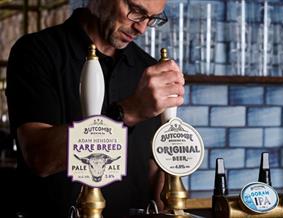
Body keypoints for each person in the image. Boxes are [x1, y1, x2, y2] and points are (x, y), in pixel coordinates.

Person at [6, 0, 185, 217]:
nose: (142, 28)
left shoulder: (146, 70)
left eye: (152, 18)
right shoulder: (37, 52)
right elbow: (39, 157)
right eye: (136, 11)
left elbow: (154, 170)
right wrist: (127, 112)